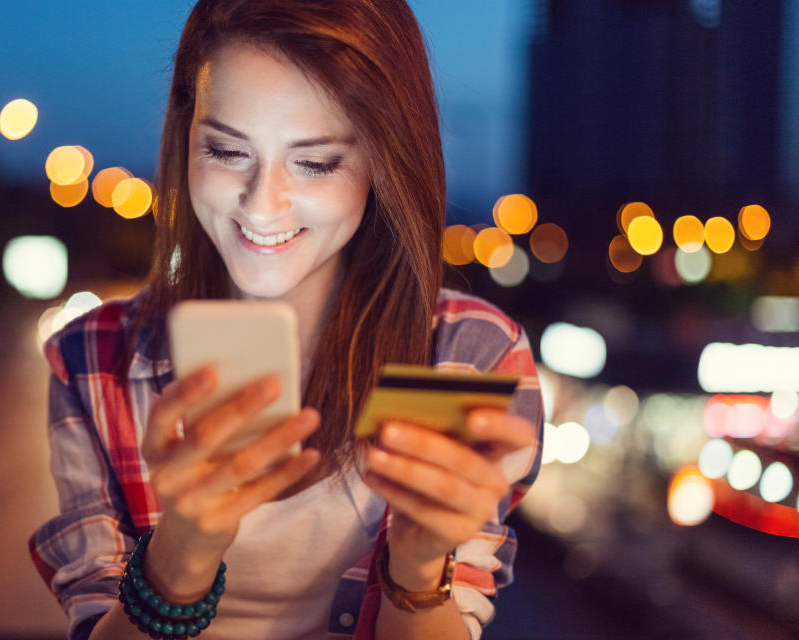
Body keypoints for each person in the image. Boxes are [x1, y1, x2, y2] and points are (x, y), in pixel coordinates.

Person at [29, 1, 543, 639]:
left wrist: (417, 569)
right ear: (185, 136)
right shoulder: (92, 361)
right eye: (225, 151)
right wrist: (181, 551)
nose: (262, 204)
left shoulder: (469, 354)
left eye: (315, 161)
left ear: (383, 162)